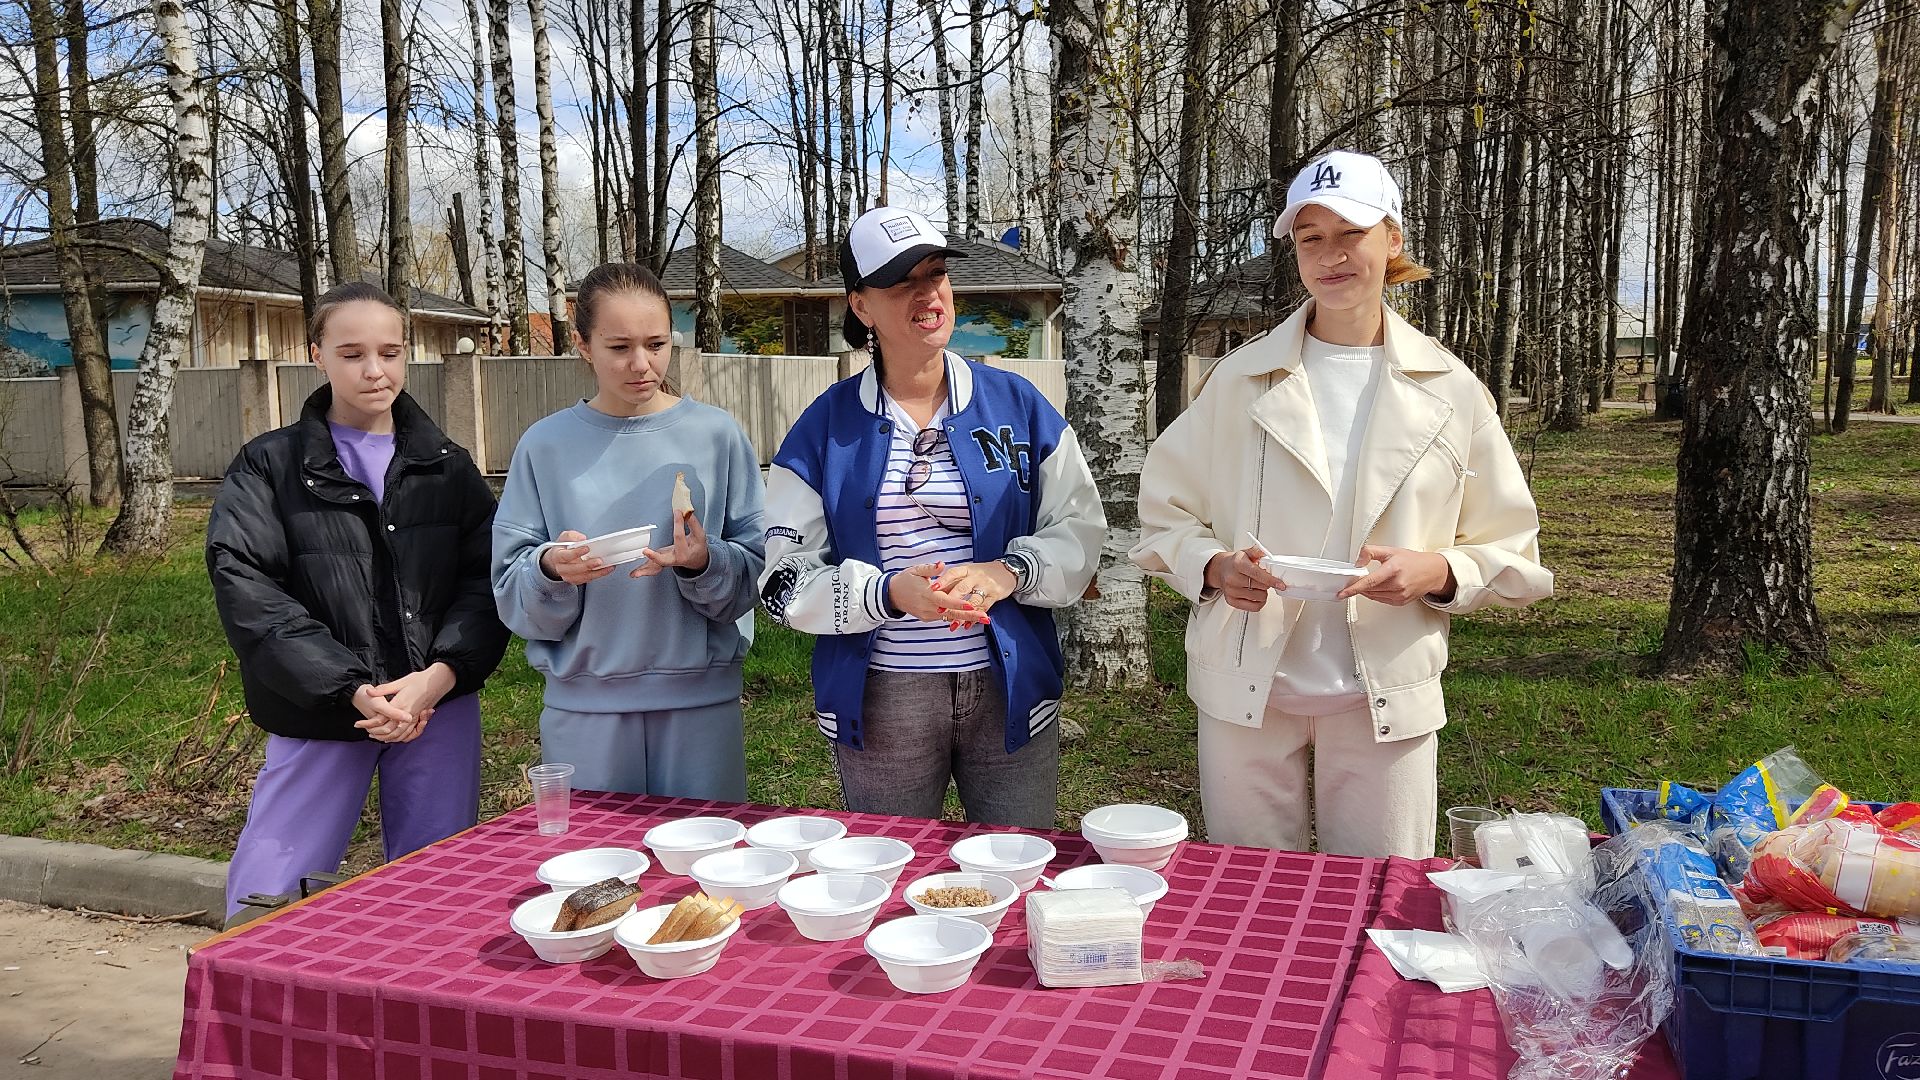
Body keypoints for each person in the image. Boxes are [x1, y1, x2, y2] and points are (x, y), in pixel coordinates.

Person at [1131, 150, 1553, 859]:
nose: (1331, 255)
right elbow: (1164, 515)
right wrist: (1212, 567)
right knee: (1251, 898)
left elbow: (1513, 550)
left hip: (1384, 693)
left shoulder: (1451, 389)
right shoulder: (1239, 380)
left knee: (1382, 903)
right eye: (1310, 237)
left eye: (1350, 233)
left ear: (1391, 241)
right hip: (1245, 693)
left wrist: (1437, 571)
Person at [759, 206, 1105, 829]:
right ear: (860, 306)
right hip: (884, 698)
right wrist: (886, 593)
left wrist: (1010, 571)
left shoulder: (1018, 406)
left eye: (937, 272)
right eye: (901, 282)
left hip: (1009, 690)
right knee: (884, 866)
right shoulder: (823, 428)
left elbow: (1081, 527)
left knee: (1017, 860)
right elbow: (781, 580)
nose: (929, 294)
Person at [208, 281, 509, 923]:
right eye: (352, 353)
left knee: (439, 891)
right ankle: (250, 1018)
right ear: (316, 354)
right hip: (320, 710)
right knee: (271, 890)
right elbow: (248, 589)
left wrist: (438, 678)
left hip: (436, 708)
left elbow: (485, 584)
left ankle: (421, 1016)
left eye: (391, 352)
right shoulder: (268, 465)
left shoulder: (448, 467)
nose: (375, 371)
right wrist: (349, 687)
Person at [492, 262, 765, 799]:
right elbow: (511, 594)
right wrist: (552, 570)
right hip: (583, 713)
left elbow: (760, 570)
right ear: (582, 345)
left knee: (701, 874)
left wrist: (704, 564)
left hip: (701, 709)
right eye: (619, 347)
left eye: (656, 344)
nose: (642, 364)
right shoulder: (544, 445)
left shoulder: (718, 435)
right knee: (593, 872)